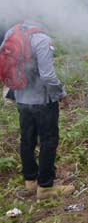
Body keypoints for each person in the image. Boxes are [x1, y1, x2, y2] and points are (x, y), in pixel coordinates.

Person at [1, 22, 74, 200]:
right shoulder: (42, 40)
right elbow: (48, 76)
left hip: (21, 98)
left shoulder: (12, 32)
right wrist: (61, 94)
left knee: (27, 139)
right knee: (48, 140)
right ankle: (45, 187)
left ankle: (31, 182)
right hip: (42, 101)